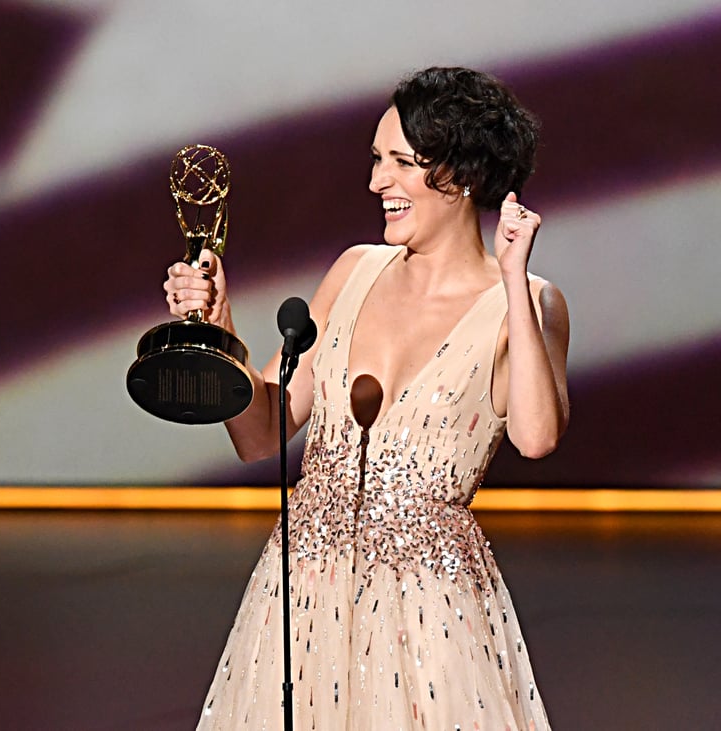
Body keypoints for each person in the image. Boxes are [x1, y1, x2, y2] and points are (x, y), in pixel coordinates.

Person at [165, 66, 570, 730]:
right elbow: (260, 435)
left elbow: (535, 435)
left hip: (429, 620)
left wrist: (513, 278)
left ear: (461, 174)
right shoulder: (353, 272)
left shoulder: (524, 303)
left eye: (401, 162)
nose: (377, 181)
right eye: (377, 159)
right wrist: (218, 329)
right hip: (301, 595)